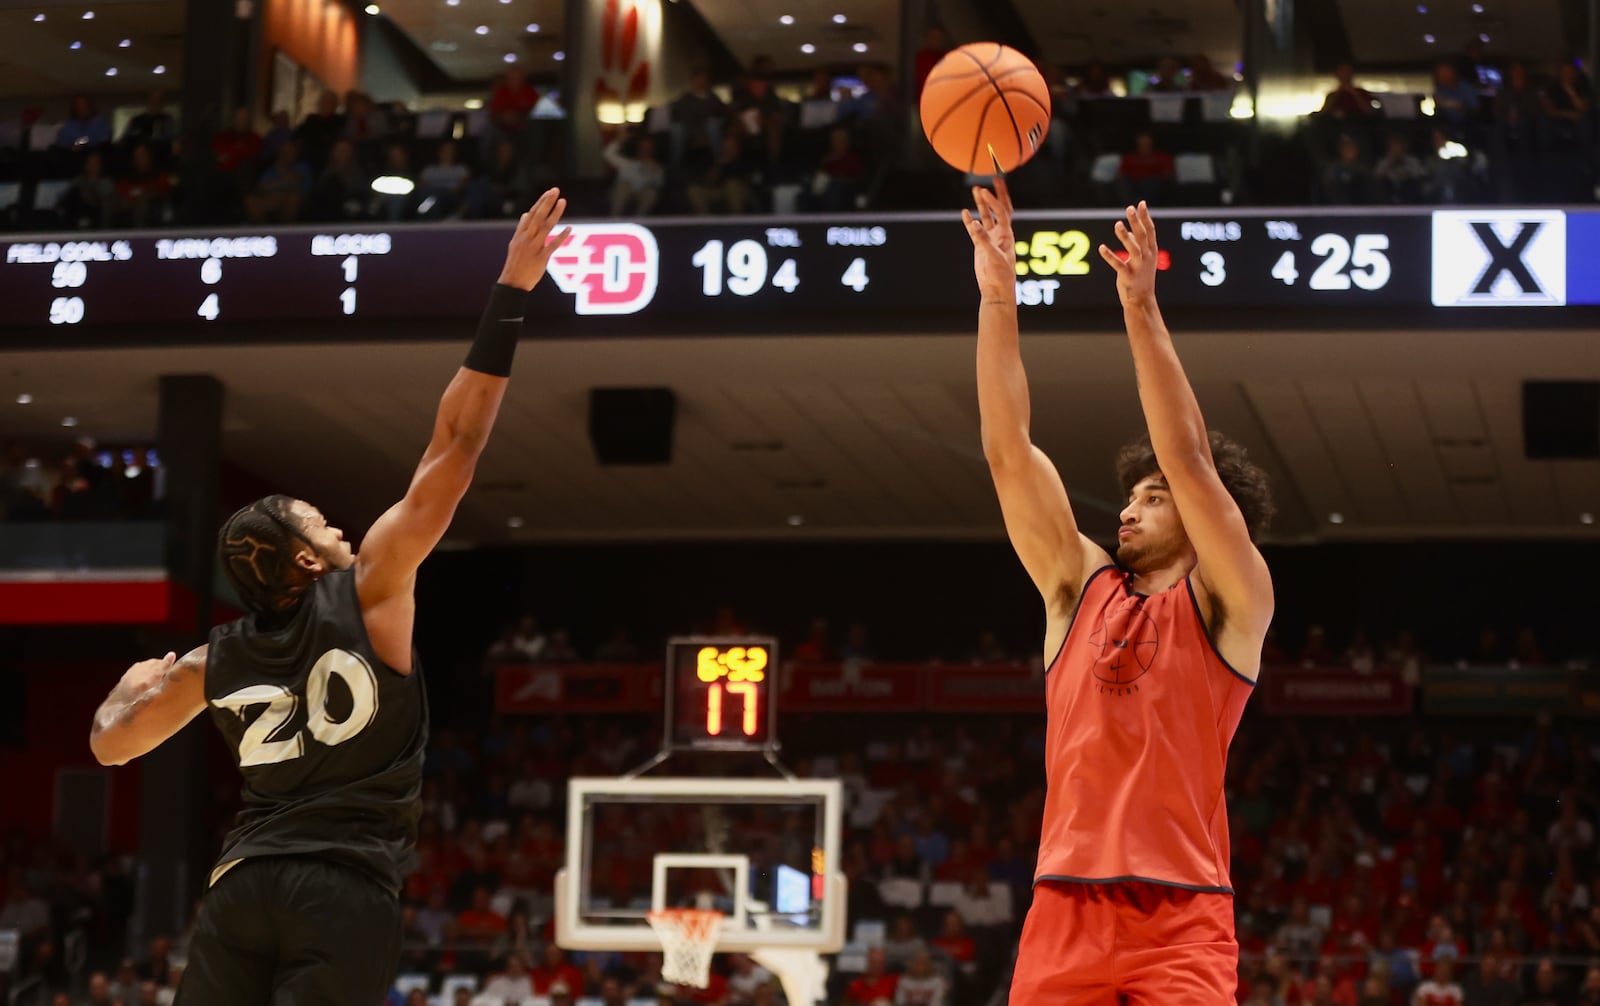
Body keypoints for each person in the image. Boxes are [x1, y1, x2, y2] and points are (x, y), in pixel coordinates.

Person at [86, 190, 574, 1005]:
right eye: (320, 523)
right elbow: (457, 440)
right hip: (342, 889)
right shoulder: (371, 589)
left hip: (242, 886)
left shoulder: (216, 659)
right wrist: (511, 295)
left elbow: (111, 748)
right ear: (307, 560)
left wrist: (124, 689)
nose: (340, 527)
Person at [964, 179, 1275, 1004]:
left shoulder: (1231, 604)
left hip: (1183, 917)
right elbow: (1007, 449)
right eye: (1130, 496)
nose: (1132, 507)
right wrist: (1001, 297)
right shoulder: (1078, 588)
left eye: (1153, 495)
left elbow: (1191, 460)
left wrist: (1140, 309)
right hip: (1065, 905)